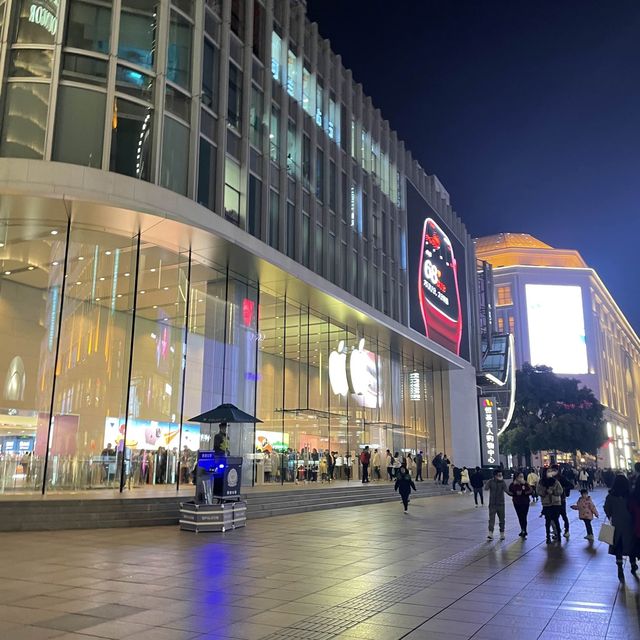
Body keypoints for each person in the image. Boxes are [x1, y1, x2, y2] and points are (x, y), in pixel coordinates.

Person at [604, 474, 637, 582]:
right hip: (630, 524)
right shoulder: (630, 495)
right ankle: (633, 565)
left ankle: (619, 568)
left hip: (616, 525)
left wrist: (611, 516)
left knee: (618, 546)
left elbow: (607, 509)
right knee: (631, 545)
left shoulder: (610, 496)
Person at [537, 468, 564, 544]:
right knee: (548, 521)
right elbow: (538, 491)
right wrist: (545, 492)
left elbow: (560, 491)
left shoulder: (555, 481)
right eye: (548, 472)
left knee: (556, 520)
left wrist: (553, 492)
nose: (549, 473)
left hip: (555, 503)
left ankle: (558, 535)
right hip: (546, 504)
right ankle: (547, 537)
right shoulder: (541, 482)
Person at [485, 469, 511, 540]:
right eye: (499, 475)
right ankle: (490, 534)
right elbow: (486, 488)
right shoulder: (490, 481)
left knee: (502, 519)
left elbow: (506, 490)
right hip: (492, 504)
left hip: (501, 504)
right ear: (495, 476)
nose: (500, 476)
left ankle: (502, 534)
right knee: (491, 519)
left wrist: (513, 494)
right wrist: (488, 483)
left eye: (501, 475)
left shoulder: (502, 482)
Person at [509, 471, 532, 538]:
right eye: (519, 476)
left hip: (525, 502)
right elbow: (510, 492)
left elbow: (531, 491)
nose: (521, 478)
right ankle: (522, 529)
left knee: (524, 516)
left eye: (522, 476)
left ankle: (524, 530)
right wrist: (516, 493)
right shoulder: (513, 484)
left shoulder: (525, 484)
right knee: (520, 516)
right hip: (517, 503)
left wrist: (524, 492)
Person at [556, 466, 572, 538]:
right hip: (554, 500)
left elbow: (571, 485)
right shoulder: (550, 479)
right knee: (555, 517)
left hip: (561, 499)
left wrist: (563, 489)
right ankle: (557, 531)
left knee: (563, 515)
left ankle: (566, 530)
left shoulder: (561, 478)